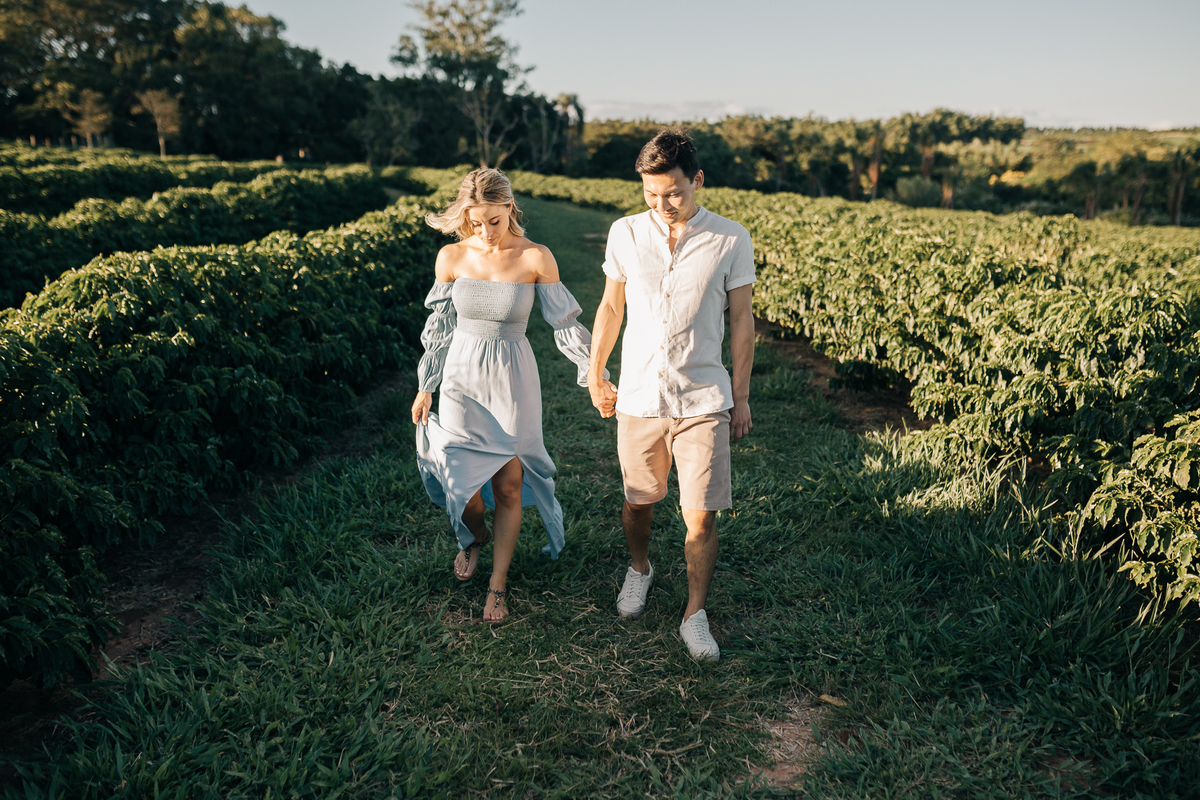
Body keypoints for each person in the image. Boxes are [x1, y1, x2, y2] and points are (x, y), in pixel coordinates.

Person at [587, 128, 755, 661]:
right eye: (650, 194)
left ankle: (694, 614)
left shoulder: (731, 238)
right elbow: (611, 307)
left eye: (673, 193)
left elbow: (743, 321)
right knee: (638, 501)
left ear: (697, 180)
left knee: (700, 514)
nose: (662, 205)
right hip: (639, 394)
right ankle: (640, 567)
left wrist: (741, 397)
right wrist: (595, 373)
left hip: (703, 396)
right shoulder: (625, 232)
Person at [412, 168, 601, 622]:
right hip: (461, 378)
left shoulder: (536, 257)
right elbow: (439, 328)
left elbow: (564, 325)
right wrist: (426, 384)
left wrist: (593, 372)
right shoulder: (451, 256)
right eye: (475, 222)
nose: (485, 231)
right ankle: (475, 535)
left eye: (493, 221)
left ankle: (497, 584)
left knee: (509, 485)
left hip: (512, 378)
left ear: (509, 209)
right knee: (463, 488)